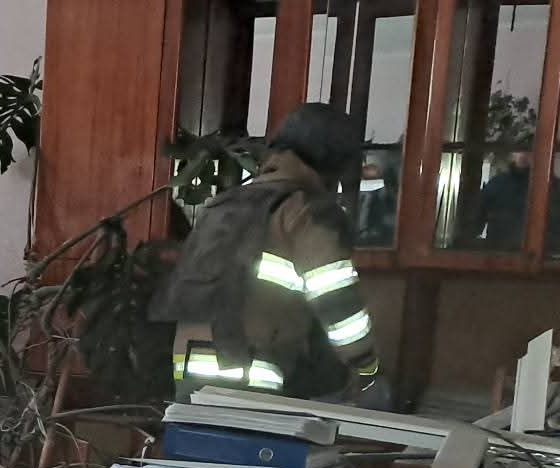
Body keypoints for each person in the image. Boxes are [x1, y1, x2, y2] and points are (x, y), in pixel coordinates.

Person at [150, 101, 385, 406]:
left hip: (190, 371)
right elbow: (336, 299)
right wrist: (367, 368)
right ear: (334, 163)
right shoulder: (307, 210)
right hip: (254, 373)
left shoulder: (223, 205)